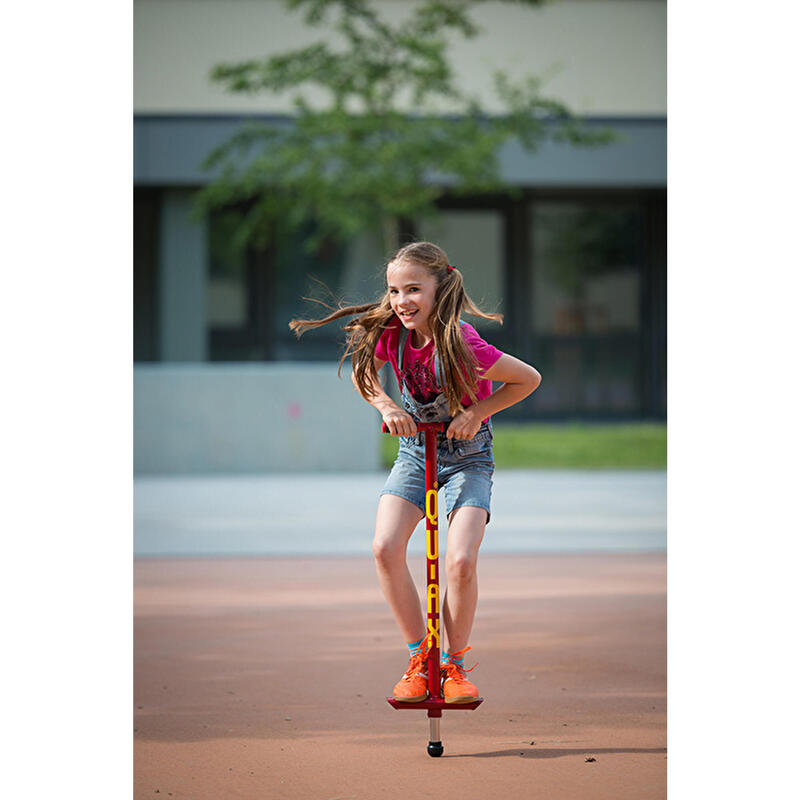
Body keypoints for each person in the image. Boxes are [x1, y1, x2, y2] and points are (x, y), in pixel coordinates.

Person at [290, 241, 541, 703]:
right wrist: (386, 405)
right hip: (414, 453)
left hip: (468, 456)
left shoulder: (463, 341)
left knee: (461, 561)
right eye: (394, 290)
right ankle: (419, 658)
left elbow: (527, 378)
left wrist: (477, 412)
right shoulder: (393, 334)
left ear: (439, 288)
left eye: (413, 289)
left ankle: (454, 666)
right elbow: (364, 373)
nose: (402, 300)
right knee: (384, 547)